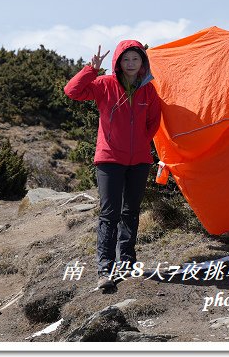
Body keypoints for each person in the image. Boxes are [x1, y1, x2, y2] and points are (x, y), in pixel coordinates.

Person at [64, 40, 162, 290]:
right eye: (126, 59)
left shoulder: (149, 90)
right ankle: (105, 269)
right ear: (118, 62)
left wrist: (140, 143)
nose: (130, 64)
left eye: (135, 59)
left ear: (142, 62)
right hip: (109, 159)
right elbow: (72, 91)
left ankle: (127, 263)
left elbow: (154, 121)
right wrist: (91, 69)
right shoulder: (104, 85)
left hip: (139, 161)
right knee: (110, 214)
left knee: (131, 212)